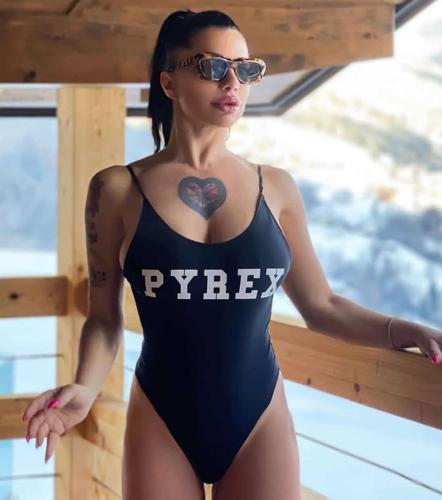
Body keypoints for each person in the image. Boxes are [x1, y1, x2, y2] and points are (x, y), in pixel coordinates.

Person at [21, 8, 442, 500]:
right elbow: (103, 317)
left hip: (258, 420)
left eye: (246, 69)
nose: (232, 83)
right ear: (169, 82)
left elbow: (322, 305)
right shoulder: (117, 190)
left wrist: (403, 330)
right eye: (213, 67)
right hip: (160, 418)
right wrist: (85, 389)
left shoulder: (276, 188)